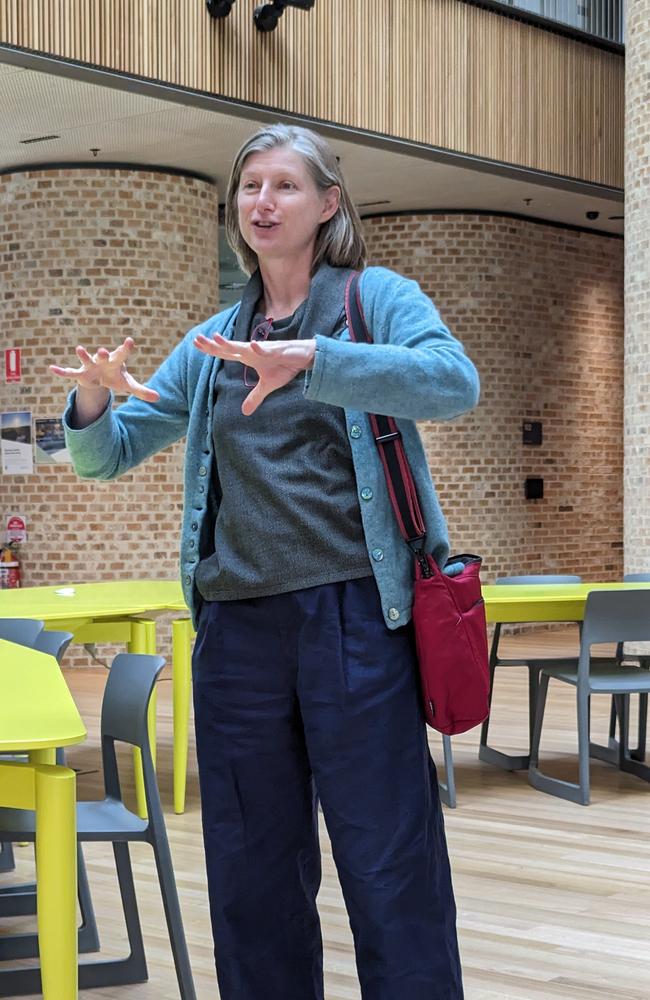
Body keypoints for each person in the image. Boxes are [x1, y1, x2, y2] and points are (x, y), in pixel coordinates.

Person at [52, 123, 479, 1000]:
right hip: (238, 635)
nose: (262, 202)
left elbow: (454, 382)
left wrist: (316, 360)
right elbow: (111, 452)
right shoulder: (216, 336)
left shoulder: (373, 299)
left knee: (387, 862)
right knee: (250, 872)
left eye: (284, 186)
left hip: (356, 621)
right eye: (249, 187)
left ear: (327, 204)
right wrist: (92, 399)